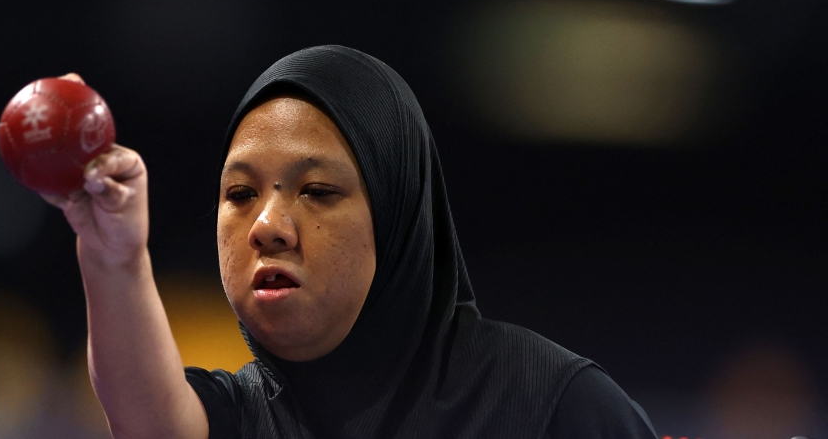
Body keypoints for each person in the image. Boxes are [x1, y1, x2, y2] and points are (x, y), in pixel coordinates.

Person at [44, 46, 658, 439]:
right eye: (239, 194)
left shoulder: (549, 406)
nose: (267, 226)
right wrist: (112, 253)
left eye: (316, 190)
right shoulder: (244, 419)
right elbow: (146, 419)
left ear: (394, 218)